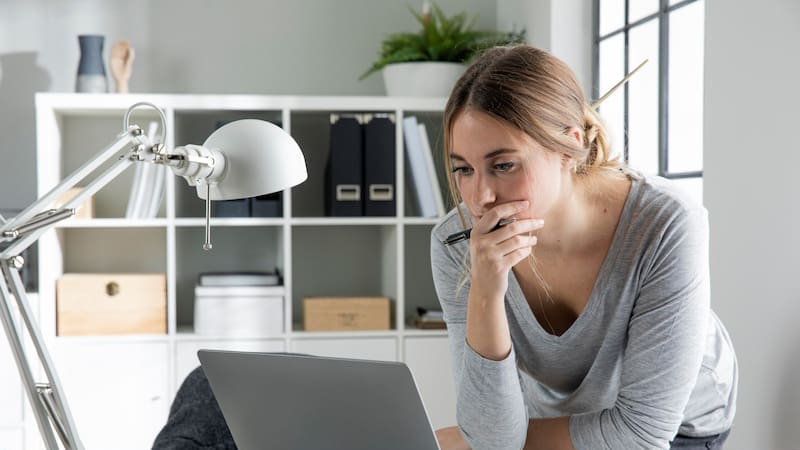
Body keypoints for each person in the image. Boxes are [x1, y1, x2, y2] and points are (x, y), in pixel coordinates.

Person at [430, 45, 737, 450]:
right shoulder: (459, 243)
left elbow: (642, 434)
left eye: (503, 165)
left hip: (677, 426)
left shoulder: (667, 224)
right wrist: (486, 290)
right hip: (566, 419)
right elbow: (492, 437)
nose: (480, 196)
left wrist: (477, 444)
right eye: (463, 169)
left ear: (568, 147)